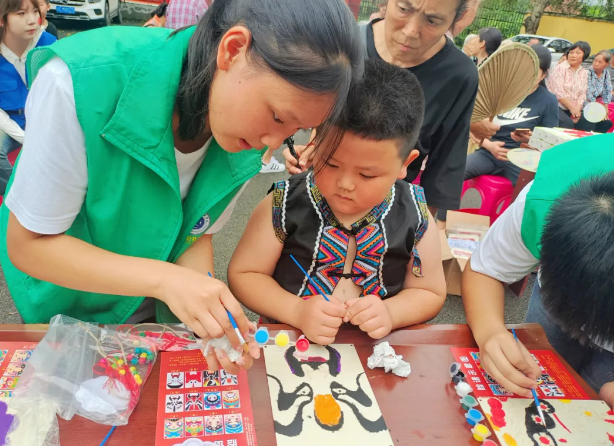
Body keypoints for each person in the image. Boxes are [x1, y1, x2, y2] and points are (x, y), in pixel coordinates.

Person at [0, 0, 364, 374]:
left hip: (152, 306)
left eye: (294, 130)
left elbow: (196, 233)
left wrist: (207, 307)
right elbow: (30, 245)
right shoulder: (80, 82)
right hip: (66, 304)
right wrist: (168, 280)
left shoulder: (245, 132)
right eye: (277, 116)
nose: (270, 143)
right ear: (233, 49)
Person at [228, 60, 446, 345]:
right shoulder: (284, 202)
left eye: (367, 174)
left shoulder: (415, 215)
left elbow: (429, 291)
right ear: (314, 144)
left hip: (375, 351)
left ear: (405, 164)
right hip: (291, 343)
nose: (345, 184)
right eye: (330, 164)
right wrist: (295, 310)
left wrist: (391, 312)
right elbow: (245, 273)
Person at [285, 0, 480, 223]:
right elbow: (323, 114)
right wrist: (313, 147)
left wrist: (419, 232)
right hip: (321, 194)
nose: (411, 31)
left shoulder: (459, 76)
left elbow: (444, 168)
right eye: (404, 9)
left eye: (433, 20)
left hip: (388, 215)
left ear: (458, 17)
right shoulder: (347, 43)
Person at [461, 133, 614, 397]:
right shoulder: (543, 202)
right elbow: (486, 271)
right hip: (559, 309)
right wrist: (490, 333)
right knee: (543, 372)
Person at [0, 0, 56, 196]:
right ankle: (19, 195)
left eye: (35, 11)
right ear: (0, 19)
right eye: (21, 14)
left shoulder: (50, 45)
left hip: (45, 118)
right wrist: (26, 138)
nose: (32, 20)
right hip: (6, 119)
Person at [458, 45, 559, 186]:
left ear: (543, 75)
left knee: (528, 191)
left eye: (534, 72)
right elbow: (474, 126)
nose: (526, 76)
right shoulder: (501, 91)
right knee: (453, 173)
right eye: (524, 70)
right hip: (489, 153)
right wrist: (490, 146)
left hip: (523, 160)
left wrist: (531, 139)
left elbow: (550, 142)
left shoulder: (548, 101)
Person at [547, 41, 591, 130]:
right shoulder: (560, 68)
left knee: (587, 121)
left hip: (573, 108)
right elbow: (558, 92)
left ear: (584, 56)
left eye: (578, 53)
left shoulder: (584, 72)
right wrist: (572, 108)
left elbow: (582, 93)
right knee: (567, 123)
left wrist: (577, 110)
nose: (573, 55)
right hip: (556, 105)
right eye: (571, 52)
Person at [585, 49, 613, 133]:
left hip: (597, 104)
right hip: (586, 103)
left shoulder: (606, 73)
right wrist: (599, 110)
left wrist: (605, 107)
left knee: (607, 123)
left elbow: (608, 90)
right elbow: (588, 92)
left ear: (607, 64)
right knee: (595, 121)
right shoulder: (588, 73)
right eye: (595, 60)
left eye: (600, 62)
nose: (596, 63)